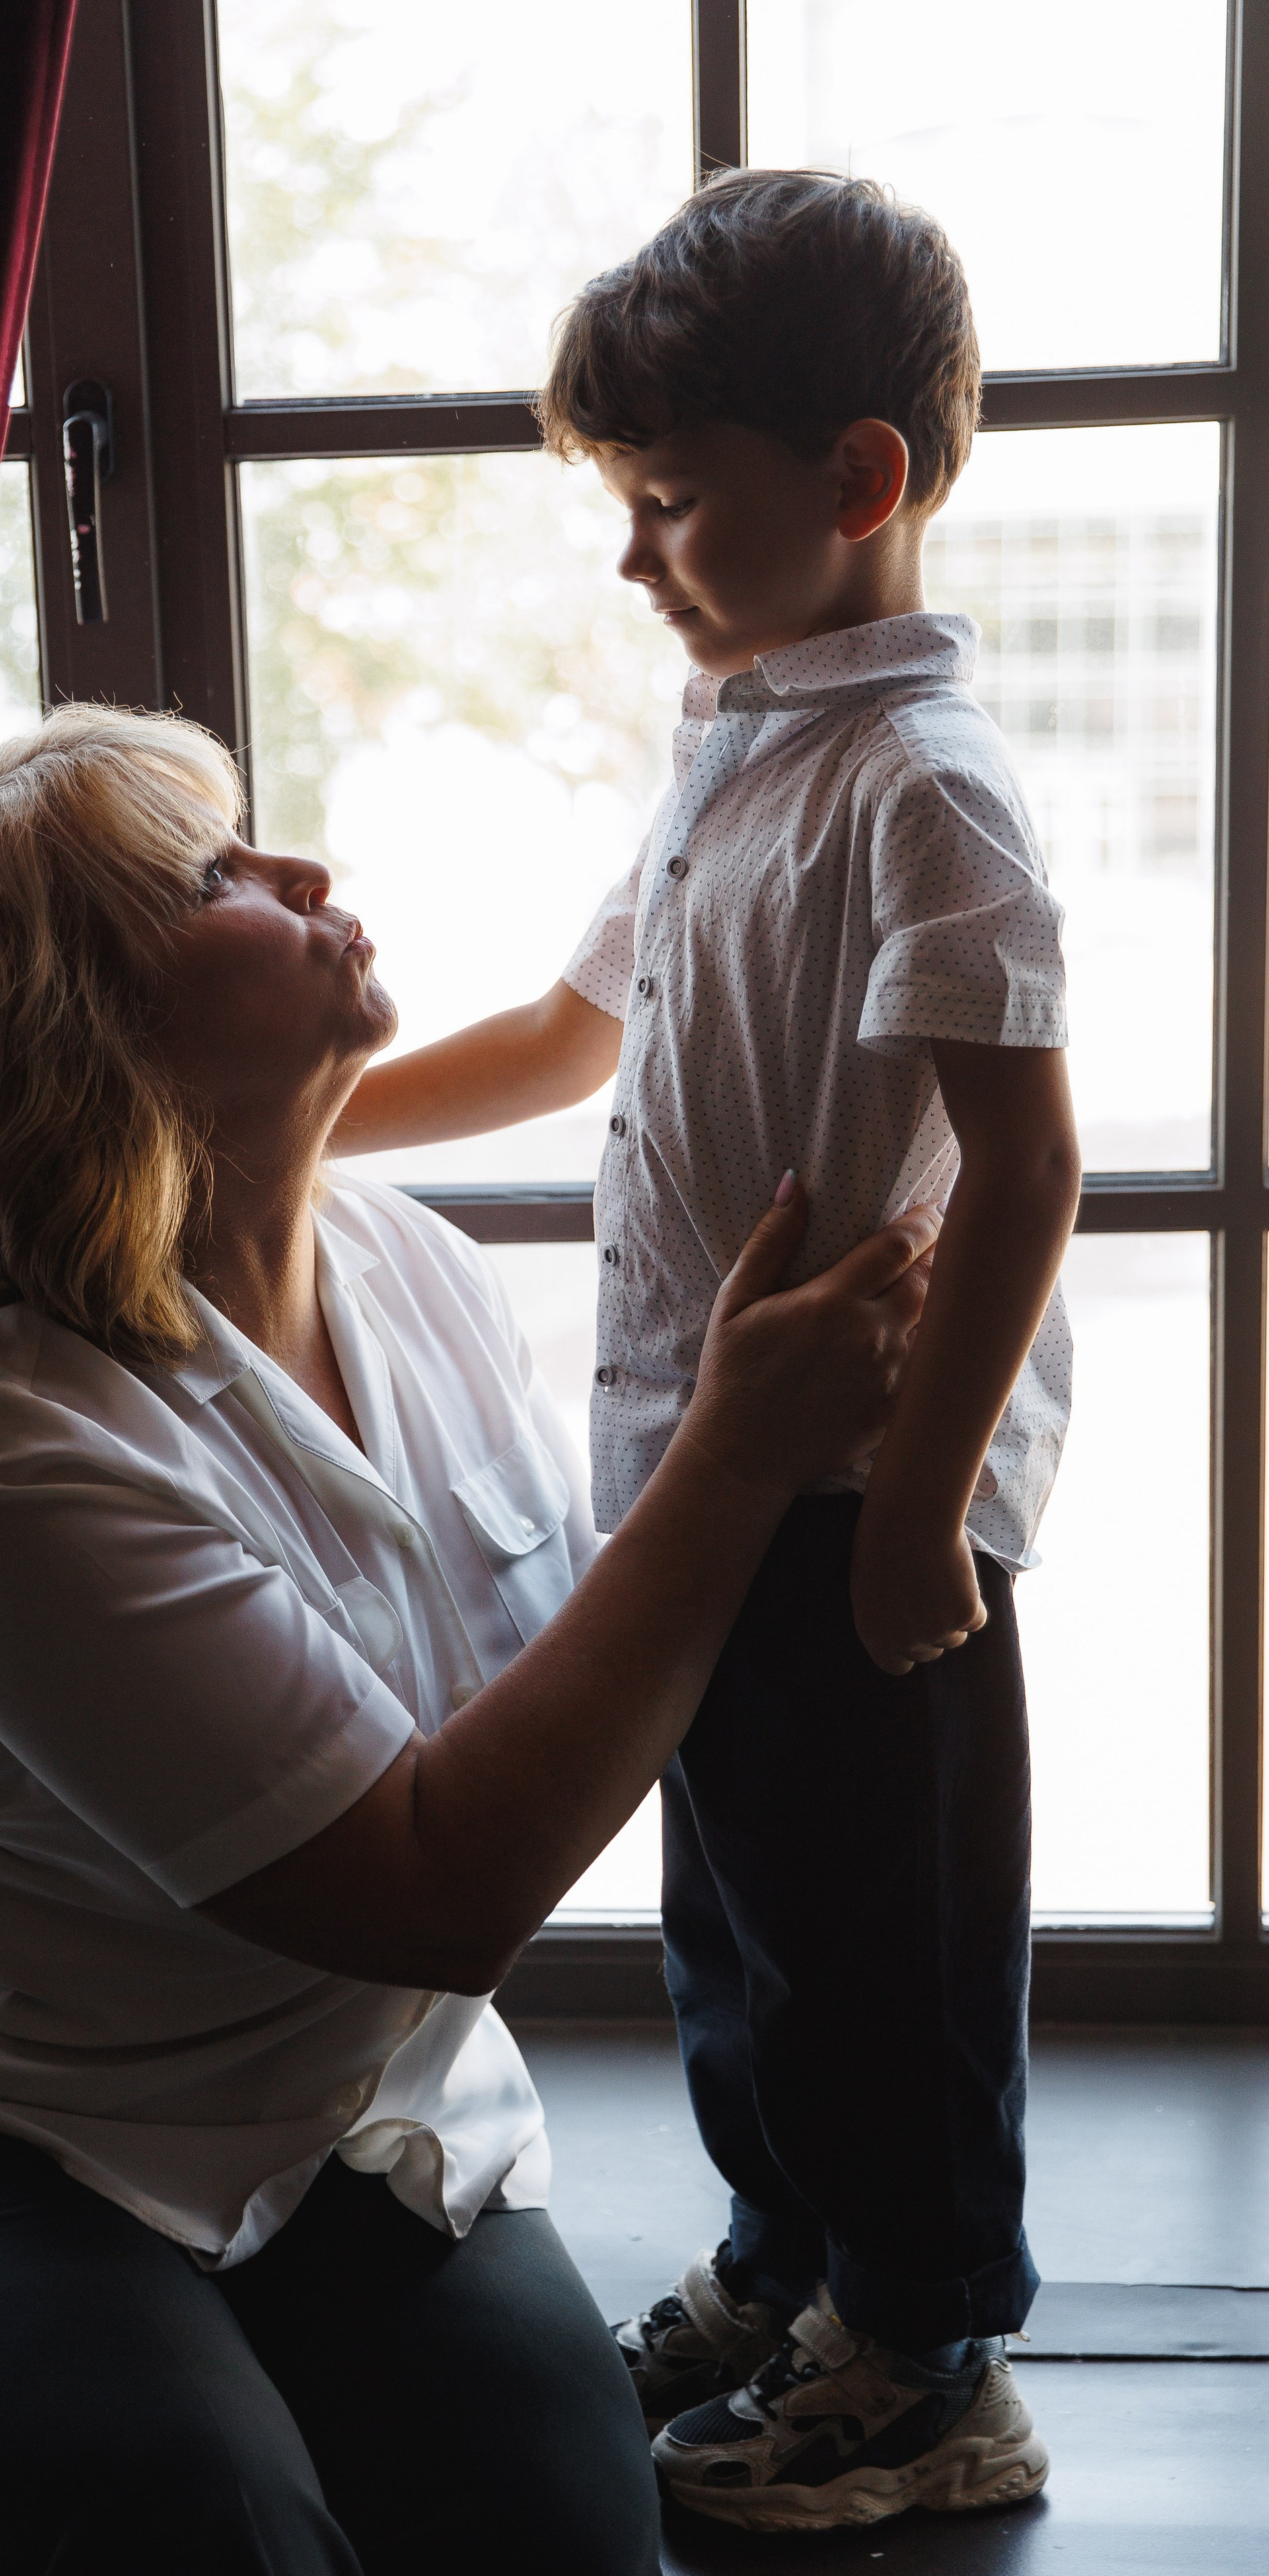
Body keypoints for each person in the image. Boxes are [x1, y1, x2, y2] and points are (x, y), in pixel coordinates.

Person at [0, 705, 939, 2576]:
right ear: (91, 1030)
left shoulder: (412, 1270)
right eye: (214, 876)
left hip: (334, 2132)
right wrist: (738, 1449)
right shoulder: (13, 1445)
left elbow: (587, 1666)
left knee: (565, 2526)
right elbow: (437, 1892)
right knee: (195, 2516)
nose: (303, 872)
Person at [332, 169, 1081, 2534]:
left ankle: (931, 2352)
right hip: (706, 1476)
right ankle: (792, 2260)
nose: (633, 558)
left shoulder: (926, 787)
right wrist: (303, 1114)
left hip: (866, 1500)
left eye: (667, 502)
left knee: (886, 1952)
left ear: (859, 478)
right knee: (741, 1923)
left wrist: (927, 1512)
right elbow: (575, 1027)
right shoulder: (735, 746)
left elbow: (1028, 1170)